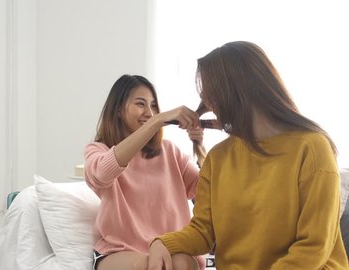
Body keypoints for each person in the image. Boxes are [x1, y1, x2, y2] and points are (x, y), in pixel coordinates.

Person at [147, 41, 349, 269]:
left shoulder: (312, 148)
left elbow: (313, 247)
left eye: (211, 97)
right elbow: (203, 231)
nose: (208, 106)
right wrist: (162, 244)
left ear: (236, 91)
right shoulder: (218, 158)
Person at [84, 74, 207, 270]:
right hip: (119, 251)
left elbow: (208, 190)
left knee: (182, 264)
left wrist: (199, 147)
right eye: (141, 104)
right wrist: (156, 121)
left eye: (154, 106)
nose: (149, 112)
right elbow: (101, 175)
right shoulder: (99, 150)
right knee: (151, 266)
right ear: (117, 110)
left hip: (172, 249)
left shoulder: (170, 151)